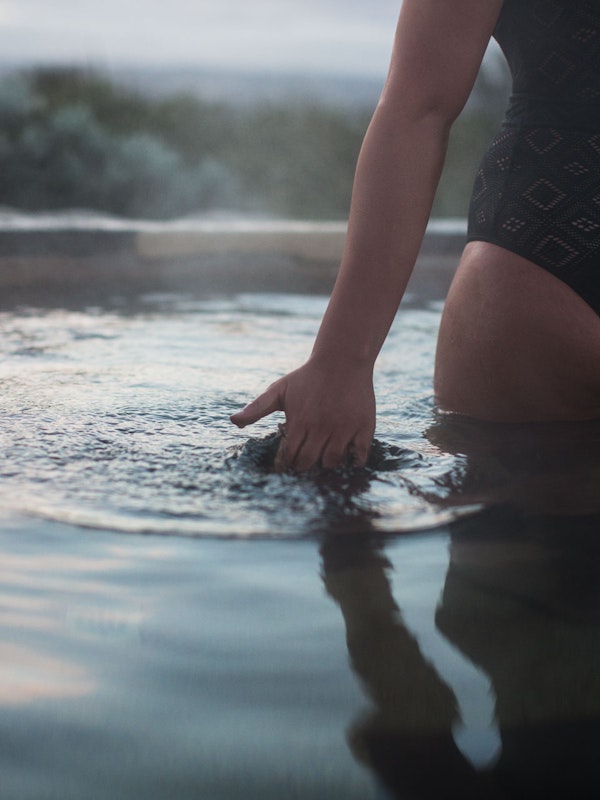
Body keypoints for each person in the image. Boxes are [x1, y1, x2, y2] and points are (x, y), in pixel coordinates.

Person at [231, 0, 600, 472]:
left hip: (548, 248)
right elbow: (417, 111)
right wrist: (341, 360)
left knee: (521, 529)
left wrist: (342, 362)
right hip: (550, 267)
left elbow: (418, 109)